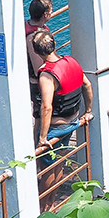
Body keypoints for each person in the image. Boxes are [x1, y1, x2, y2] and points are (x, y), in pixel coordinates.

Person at [31, 30, 94, 207]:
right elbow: (87, 85)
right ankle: (51, 204)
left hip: (55, 128)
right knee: (58, 164)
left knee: (48, 170)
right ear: (54, 45)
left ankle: (42, 209)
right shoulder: (72, 62)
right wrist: (88, 110)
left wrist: (42, 137)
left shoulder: (47, 75)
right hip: (72, 122)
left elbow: (46, 106)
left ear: (36, 52)